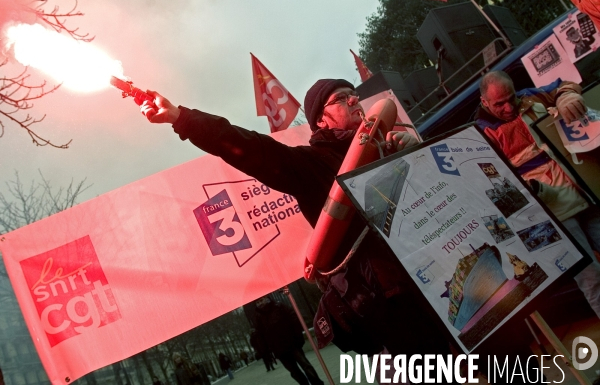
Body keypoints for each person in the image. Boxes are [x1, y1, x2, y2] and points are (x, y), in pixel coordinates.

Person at [138, 79, 454, 380]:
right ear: (321, 120)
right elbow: (249, 147)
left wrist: (416, 151)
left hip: (442, 276)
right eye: (342, 98)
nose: (354, 100)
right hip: (395, 304)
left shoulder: (389, 145)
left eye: (353, 93)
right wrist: (183, 118)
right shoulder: (311, 164)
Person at [476, 70, 600, 319]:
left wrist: (565, 97)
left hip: (583, 194)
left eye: (511, 98)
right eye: (499, 104)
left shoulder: (531, 98)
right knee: (592, 279)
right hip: (551, 214)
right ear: (484, 102)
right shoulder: (480, 134)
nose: (509, 107)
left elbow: (565, 85)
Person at [254, 296, 323, 385]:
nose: (261, 303)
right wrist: (267, 352)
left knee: (306, 366)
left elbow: (294, 319)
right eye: (258, 302)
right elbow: (261, 336)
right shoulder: (259, 318)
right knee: (294, 372)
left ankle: (317, 383)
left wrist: (298, 337)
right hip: (279, 350)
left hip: (292, 343)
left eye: (261, 300)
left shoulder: (279, 306)